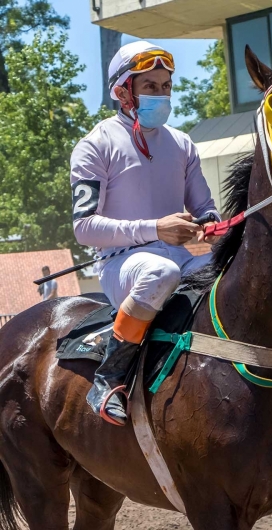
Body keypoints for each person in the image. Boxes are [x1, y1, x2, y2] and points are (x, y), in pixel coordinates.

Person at [70, 40, 220, 426]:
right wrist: (156, 228)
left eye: (166, 86)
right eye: (150, 86)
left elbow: (205, 207)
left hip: (181, 257)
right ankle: (108, 378)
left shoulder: (182, 144)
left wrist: (213, 225)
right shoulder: (95, 144)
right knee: (160, 272)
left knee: (235, 265)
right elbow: (83, 227)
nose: (161, 94)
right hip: (122, 265)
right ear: (123, 91)